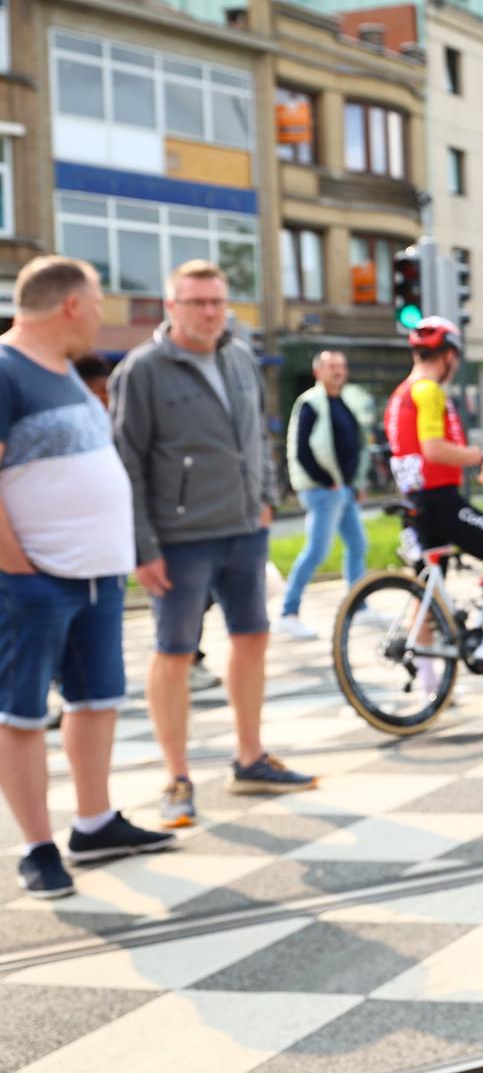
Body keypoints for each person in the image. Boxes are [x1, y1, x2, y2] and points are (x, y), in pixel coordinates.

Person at [112, 260, 316, 830]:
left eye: (217, 301)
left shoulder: (240, 358)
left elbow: (258, 431)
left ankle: (249, 759)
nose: (208, 312)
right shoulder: (143, 370)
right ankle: (176, 778)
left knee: (252, 639)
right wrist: (141, 545)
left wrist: (267, 496)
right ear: (170, 306)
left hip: (244, 530)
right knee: (174, 653)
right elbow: (125, 462)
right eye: (196, 301)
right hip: (178, 539)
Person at [1, 258, 176, 897]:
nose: (102, 310)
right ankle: (37, 846)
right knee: (19, 713)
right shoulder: (5, 370)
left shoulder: (68, 375)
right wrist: (16, 566)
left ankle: (94, 821)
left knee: (96, 700)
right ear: (71, 304)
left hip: (98, 577)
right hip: (36, 579)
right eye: (98, 298)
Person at [384, 316, 483, 684]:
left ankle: (430, 690)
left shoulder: (399, 394)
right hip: (441, 503)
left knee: (427, 599)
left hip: (414, 503)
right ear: (448, 355)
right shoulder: (428, 390)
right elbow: (434, 449)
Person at [274, 351, 369, 639]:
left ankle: (359, 606)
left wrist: (356, 481)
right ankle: (288, 613)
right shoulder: (311, 403)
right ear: (318, 372)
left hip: (344, 489)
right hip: (323, 491)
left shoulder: (344, 401)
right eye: (331, 367)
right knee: (317, 550)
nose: (338, 371)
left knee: (358, 545)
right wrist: (325, 480)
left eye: (341, 365)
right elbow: (301, 449)